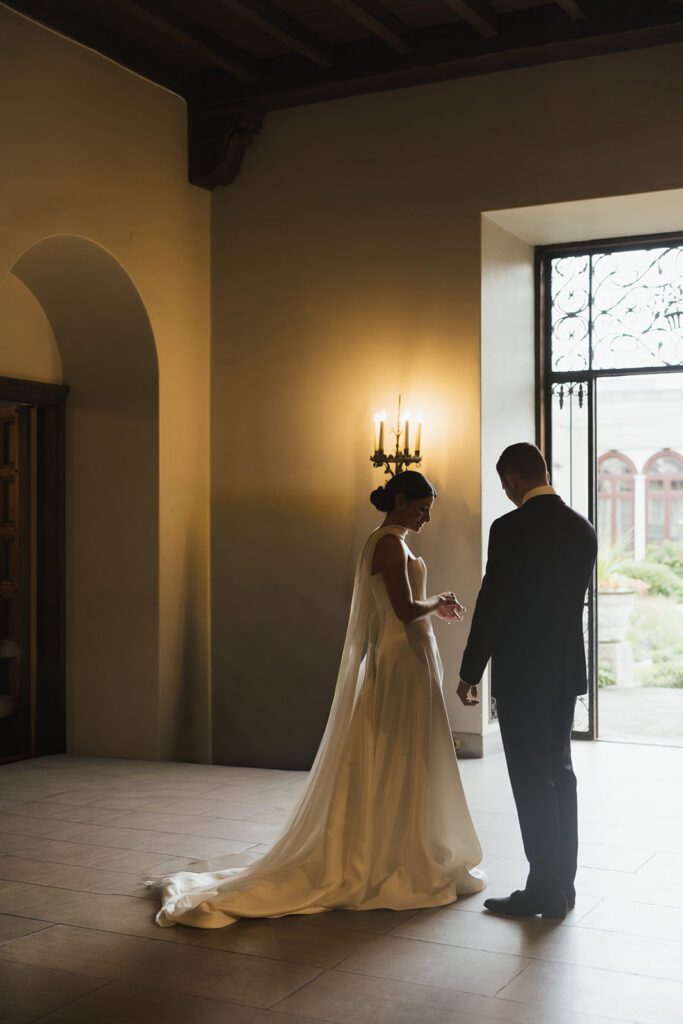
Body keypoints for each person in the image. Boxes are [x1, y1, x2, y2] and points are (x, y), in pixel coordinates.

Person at [151, 470, 485, 927]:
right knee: (399, 753)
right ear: (401, 499)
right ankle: (392, 852)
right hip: (399, 659)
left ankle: (401, 843)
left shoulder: (390, 540)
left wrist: (432, 606)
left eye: (430, 509)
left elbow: (402, 607)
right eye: (422, 507)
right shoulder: (388, 541)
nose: (427, 517)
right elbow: (405, 610)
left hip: (407, 658)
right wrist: (438, 600)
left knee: (404, 754)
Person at [459, 443, 597, 920]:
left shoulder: (510, 527)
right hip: (564, 672)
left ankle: (543, 891)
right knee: (560, 774)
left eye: (504, 484)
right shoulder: (583, 528)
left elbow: (493, 601)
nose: (506, 493)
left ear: (513, 480)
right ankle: (563, 885)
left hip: (523, 674)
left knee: (531, 779)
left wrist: (469, 669)